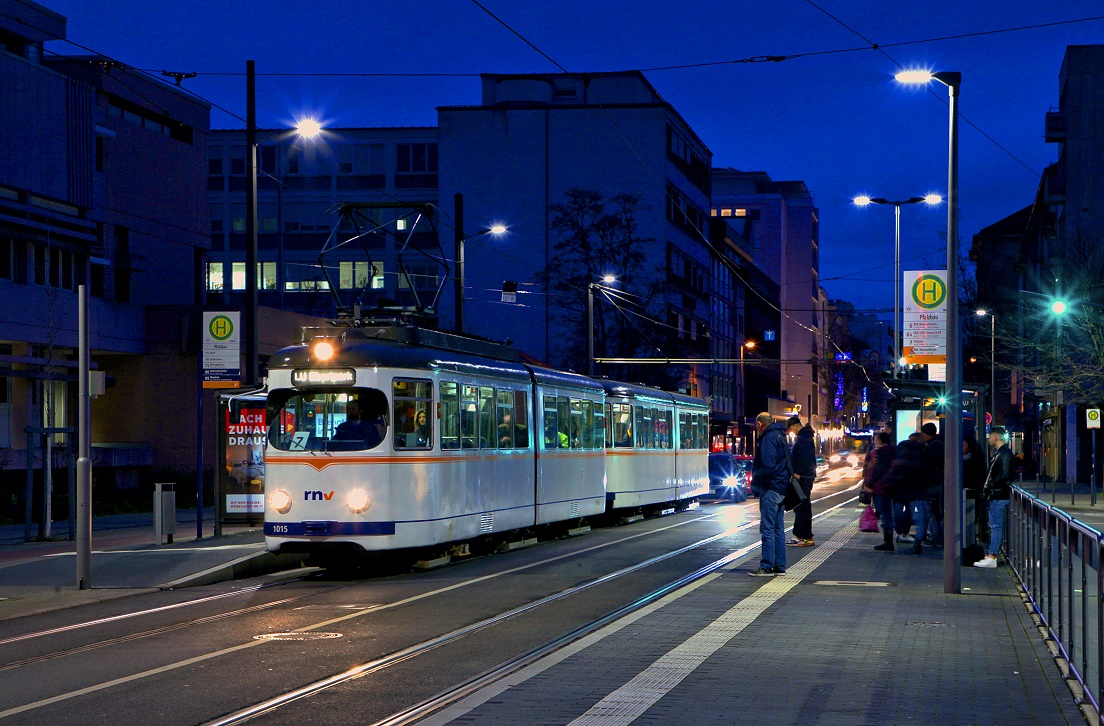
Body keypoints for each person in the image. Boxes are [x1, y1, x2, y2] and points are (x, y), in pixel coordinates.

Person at [749, 413, 790, 576]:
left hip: (771, 489)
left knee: (767, 529)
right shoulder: (781, 435)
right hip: (781, 488)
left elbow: (767, 464)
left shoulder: (768, 438)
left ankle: (766, 565)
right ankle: (780, 565)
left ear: (759, 424)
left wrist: (759, 483)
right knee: (778, 529)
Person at [975, 427, 1013, 568]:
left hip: (998, 495)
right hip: (996, 494)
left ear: (996, 438)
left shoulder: (1003, 455)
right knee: (996, 526)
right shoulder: (1001, 454)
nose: (989, 439)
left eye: (990, 437)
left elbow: (1004, 476)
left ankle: (992, 556)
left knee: (996, 526)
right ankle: (992, 555)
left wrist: (989, 485)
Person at [889, 433, 927, 555]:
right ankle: (917, 541)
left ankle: (900, 531)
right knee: (919, 516)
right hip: (916, 490)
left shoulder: (900, 451)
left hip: (900, 489)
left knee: (898, 512)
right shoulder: (922, 454)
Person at [786, 417, 817, 547]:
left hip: (802, 477)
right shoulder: (806, 437)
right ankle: (805, 536)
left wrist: (798, 472)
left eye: (791, 429)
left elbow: (804, 457)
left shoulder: (803, 438)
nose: (792, 432)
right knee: (803, 505)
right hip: (806, 476)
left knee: (801, 506)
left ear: (795, 426)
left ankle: (801, 536)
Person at [863, 431, 896, 551]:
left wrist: (868, 484)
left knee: (885, 515)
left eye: (876, 440)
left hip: (879, 487)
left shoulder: (879, 452)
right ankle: (889, 541)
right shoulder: (893, 450)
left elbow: (873, 470)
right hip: (890, 487)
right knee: (887, 513)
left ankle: (888, 542)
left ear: (880, 440)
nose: (874, 442)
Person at [919, 422, 945, 546]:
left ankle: (936, 536)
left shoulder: (934, 446)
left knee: (932, 511)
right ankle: (936, 535)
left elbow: (929, 465)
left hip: (933, 484)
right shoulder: (937, 444)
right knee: (934, 511)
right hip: (935, 483)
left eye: (923, 433)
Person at [962, 436, 987, 541]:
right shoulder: (975, 458)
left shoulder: (971, 460)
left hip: (971, 490)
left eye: (964, 445)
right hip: (972, 490)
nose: (962, 447)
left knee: (971, 513)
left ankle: (971, 536)